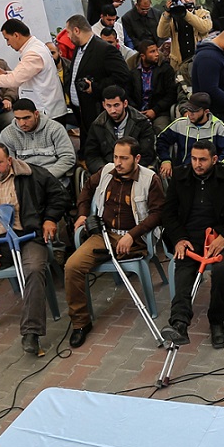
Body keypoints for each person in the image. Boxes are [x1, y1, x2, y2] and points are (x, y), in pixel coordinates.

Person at [0, 142, 67, 357]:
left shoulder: (32, 175)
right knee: (15, 269)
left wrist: (50, 219)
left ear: (9, 160)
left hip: (29, 237)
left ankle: (31, 333)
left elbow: (59, 196)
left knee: (34, 269)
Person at [66, 137, 164, 348]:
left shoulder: (150, 179)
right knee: (72, 266)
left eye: (124, 158)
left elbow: (158, 213)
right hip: (103, 235)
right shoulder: (106, 171)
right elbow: (86, 190)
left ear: (137, 158)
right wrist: (82, 214)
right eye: (116, 157)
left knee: (131, 256)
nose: (118, 163)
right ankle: (81, 323)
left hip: (134, 238)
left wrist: (132, 235)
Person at [160, 141, 224, 351]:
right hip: (188, 238)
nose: (197, 164)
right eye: (194, 159)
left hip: (217, 236)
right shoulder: (180, 176)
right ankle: (179, 322)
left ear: (214, 160)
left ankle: (216, 321)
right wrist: (179, 238)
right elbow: (168, 213)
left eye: (202, 160)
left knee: (222, 270)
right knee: (183, 270)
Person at [0, 19, 67, 122]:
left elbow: (14, 80)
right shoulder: (36, 46)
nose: (8, 44)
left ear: (16, 35)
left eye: (7, 39)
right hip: (47, 108)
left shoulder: (33, 53)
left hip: (47, 111)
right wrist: (5, 73)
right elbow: (28, 73)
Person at [63, 13, 132, 130]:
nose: (68, 36)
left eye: (68, 32)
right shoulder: (78, 48)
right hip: (81, 113)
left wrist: (95, 87)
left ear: (76, 30)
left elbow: (122, 76)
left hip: (97, 113)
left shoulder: (105, 49)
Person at [158, 93, 224, 175]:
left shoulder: (218, 126)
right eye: (188, 109)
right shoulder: (179, 124)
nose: (190, 114)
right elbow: (161, 140)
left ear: (206, 111)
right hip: (184, 171)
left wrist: (217, 165)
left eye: (195, 111)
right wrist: (165, 160)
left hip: (209, 173)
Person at [0, 99, 76, 180]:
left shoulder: (55, 129)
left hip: (53, 178)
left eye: (26, 118)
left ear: (36, 114)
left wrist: (45, 177)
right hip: (24, 180)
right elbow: (7, 163)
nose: (22, 123)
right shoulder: (7, 134)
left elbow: (68, 157)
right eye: (18, 118)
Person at [158, 0, 214, 80]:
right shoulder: (172, 16)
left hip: (199, 60)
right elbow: (161, 34)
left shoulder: (202, 12)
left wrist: (185, 12)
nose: (187, 0)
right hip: (179, 63)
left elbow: (205, 28)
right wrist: (167, 13)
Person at [127, 39, 178, 133]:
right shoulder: (132, 71)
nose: (157, 54)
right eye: (152, 52)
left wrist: (155, 110)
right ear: (143, 56)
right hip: (136, 112)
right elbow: (127, 94)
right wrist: (136, 111)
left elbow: (171, 94)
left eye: (156, 50)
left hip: (160, 112)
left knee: (161, 130)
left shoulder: (166, 69)